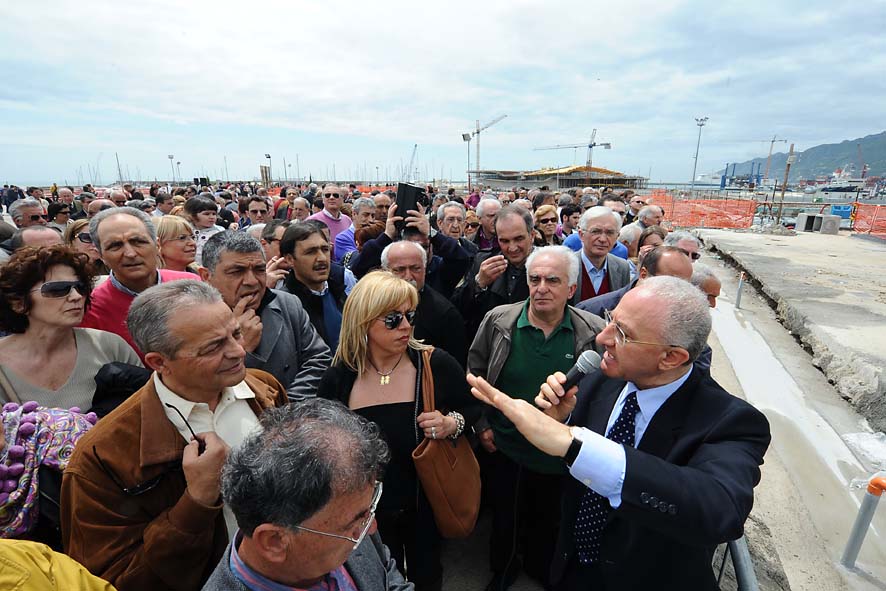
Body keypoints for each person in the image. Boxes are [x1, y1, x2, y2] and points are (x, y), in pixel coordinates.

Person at [466, 276, 771, 590]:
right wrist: (563, 421)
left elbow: (718, 511)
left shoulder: (732, 421)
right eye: (612, 319)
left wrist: (573, 442)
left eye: (623, 333)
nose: (602, 337)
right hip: (571, 571)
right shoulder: (600, 379)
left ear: (671, 357)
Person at [61, 280, 288, 591]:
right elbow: (110, 581)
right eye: (213, 346)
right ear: (158, 362)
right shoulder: (102, 456)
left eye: (235, 334)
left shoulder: (264, 388)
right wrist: (196, 502)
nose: (238, 351)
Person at [318, 272, 478, 591]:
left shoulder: (434, 364)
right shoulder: (340, 376)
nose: (405, 325)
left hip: (425, 503)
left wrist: (451, 424)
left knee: (428, 576)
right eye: (392, 319)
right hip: (364, 514)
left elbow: (474, 410)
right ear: (363, 320)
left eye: (410, 315)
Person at [467, 246, 605, 591]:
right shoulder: (500, 320)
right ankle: (504, 570)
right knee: (506, 519)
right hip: (508, 447)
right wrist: (483, 425)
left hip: (561, 456)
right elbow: (475, 372)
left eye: (552, 280)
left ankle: (542, 570)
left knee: (550, 521)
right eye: (534, 279)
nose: (541, 287)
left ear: (571, 289)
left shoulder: (593, 332)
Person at [203, 399, 411, 591]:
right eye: (353, 525)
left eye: (371, 505)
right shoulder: (343, 515)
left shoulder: (347, 514)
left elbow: (386, 577)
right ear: (274, 541)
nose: (371, 527)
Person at [0, 245, 142, 412]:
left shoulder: (110, 346)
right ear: (19, 303)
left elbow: (150, 410)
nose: (76, 297)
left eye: (81, 288)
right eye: (57, 289)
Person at [200, 231, 331, 402]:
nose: (252, 281)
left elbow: (319, 359)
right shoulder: (193, 323)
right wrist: (241, 348)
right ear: (206, 276)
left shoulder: (288, 304)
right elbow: (201, 389)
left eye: (259, 270)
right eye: (236, 271)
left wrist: (286, 407)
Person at [80, 207, 197, 360]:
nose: (130, 253)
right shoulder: (91, 311)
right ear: (101, 255)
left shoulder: (192, 286)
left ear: (157, 245)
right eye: (115, 246)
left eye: (138, 242)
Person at [452, 205, 534, 340]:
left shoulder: (546, 263)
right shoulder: (483, 261)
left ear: (531, 235)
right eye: (505, 241)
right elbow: (458, 309)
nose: (512, 248)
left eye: (518, 239)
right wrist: (478, 284)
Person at [381, 240, 468, 367]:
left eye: (415, 268)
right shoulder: (373, 306)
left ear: (425, 268)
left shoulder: (444, 314)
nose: (408, 276)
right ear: (385, 271)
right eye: (399, 270)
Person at [279, 222, 347, 350]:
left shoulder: (339, 292)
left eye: (325, 249)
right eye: (310, 252)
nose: (321, 258)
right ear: (289, 259)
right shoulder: (285, 307)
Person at [577, 245, 693, 317]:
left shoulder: (686, 319)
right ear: (643, 274)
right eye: (671, 283)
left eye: (685, 286)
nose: (678, 292)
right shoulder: (591, 311)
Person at [572, 206, 632, 302]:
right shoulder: (566, 266)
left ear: (617, 237)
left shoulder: (622, 267)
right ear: (581, 234)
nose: (603, 239)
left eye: (610, 233)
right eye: (595, 231)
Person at [334, 197, 377, 263]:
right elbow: (357, 261)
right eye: (366, 215)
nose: (370, 220)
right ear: (354, 214)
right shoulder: (343, 238)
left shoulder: (375, 234)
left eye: (373, 216)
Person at [184, 195, 224, 266]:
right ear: (192, 215)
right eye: (206, 214)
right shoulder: (185, 229)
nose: (211, 217)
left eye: (214, 214)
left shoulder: (219, 231)